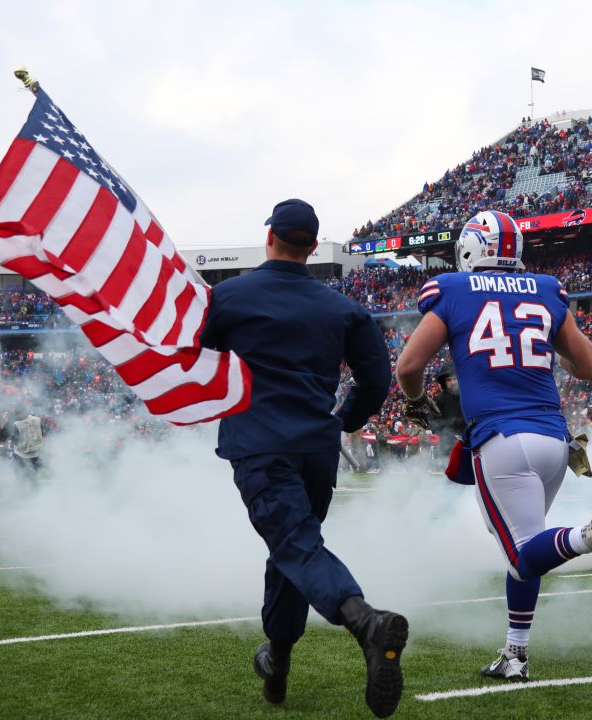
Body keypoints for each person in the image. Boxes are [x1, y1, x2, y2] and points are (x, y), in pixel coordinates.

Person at [395, 209, 592, 682]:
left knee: (520, 552)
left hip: (502, 440)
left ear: (471, 248)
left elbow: (409, 367)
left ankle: (591, 534)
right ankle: (516, 655)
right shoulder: (544, 290)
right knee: (529, 549)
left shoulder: (452, 289)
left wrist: (415, 403)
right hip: (556, 442)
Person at [198, 199, 407, 718]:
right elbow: (377, 378)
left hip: (260, 444)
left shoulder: (228, 297)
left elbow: (197, 352)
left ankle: (363, 619)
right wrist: (346, 419)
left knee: (294, 544)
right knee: (293, 551)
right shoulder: (342, 308)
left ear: (268, 236)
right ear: (314, 247)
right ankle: (278, 665)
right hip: (317, 448)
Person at [10, 410, 45, 488]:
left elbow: (14, 440)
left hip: (21, 454)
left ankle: (23, 494)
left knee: (20, 475)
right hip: (35, 453)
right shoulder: (37, 420)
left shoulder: (17, 424)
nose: (17, 416)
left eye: (17, 414)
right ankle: (36, 494)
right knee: (33, 476)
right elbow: (42, 433)